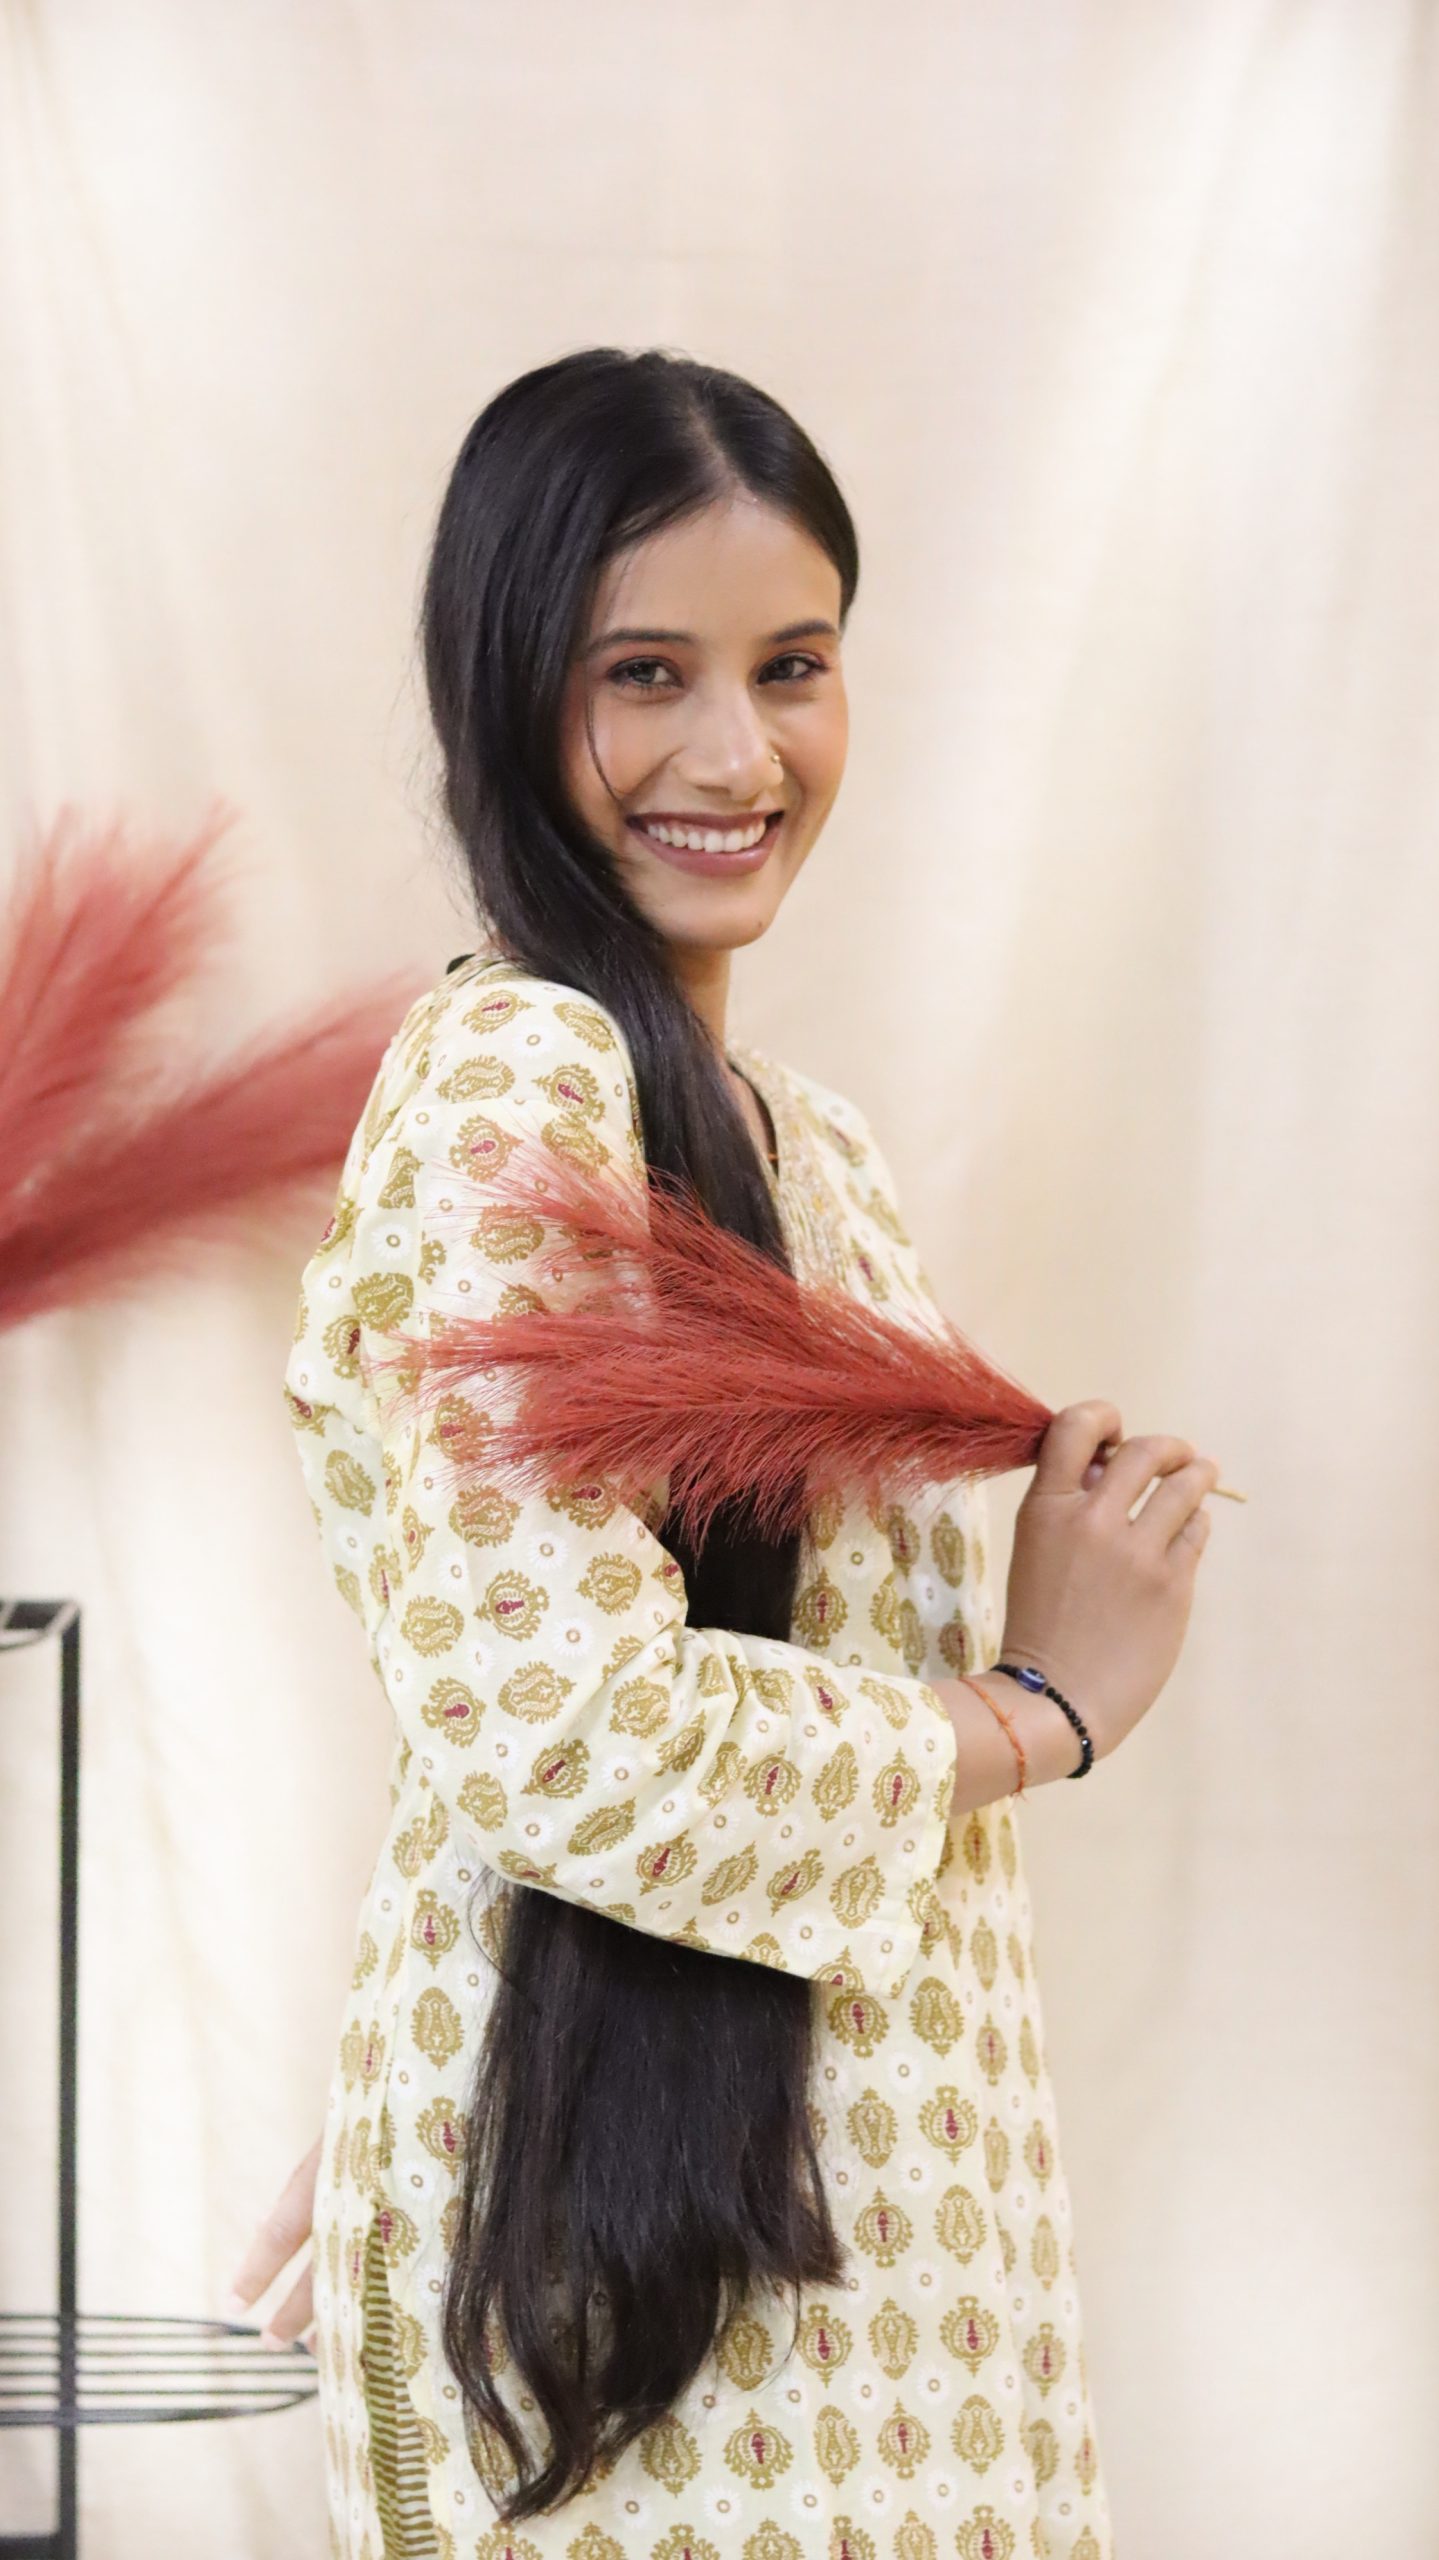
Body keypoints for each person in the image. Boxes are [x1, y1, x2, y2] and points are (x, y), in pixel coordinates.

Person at [230, 347, 1219, 2559]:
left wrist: (486, 2036)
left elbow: (570, 1719)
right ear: (506, 688)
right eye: (644, 673)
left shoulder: (806, 1145)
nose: (736, 756)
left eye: (792, 665)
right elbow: (562, 1724)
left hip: (819, 2223)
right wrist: (1040, 1705)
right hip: (667, 2314)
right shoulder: (518, 1079)